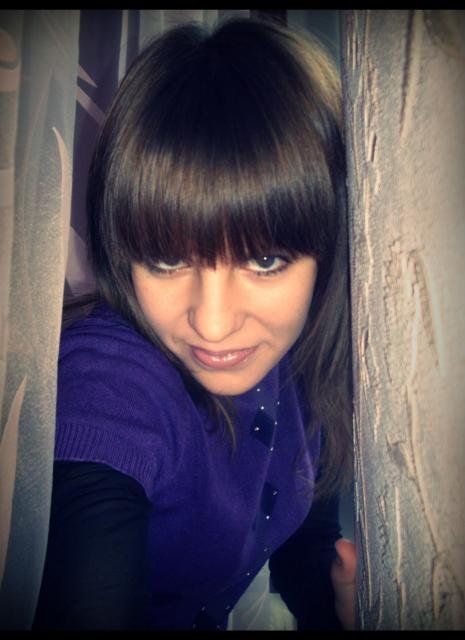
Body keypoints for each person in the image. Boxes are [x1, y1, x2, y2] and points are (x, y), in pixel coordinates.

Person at [32, 16, 356, 631]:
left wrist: (337, 606)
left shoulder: (309, 359)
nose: (211, 324)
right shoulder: (109, 381)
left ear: (330, 246)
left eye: (265, 260)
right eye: (165, 259)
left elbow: (305, 541)